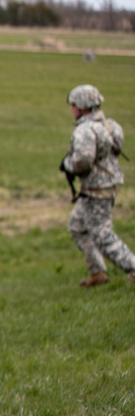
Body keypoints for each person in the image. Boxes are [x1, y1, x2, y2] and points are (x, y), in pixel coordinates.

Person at [60, 84, 134, 287]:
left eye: (73, 105)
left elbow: (82, 162)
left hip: (96, 191)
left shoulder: (85, 130)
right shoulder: (110, 125)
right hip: (105, 186)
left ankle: (133, 268)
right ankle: (97, 272)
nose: (71, 110)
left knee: (103, 237)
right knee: (77, 226)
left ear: (82, 107)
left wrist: (67, 164)